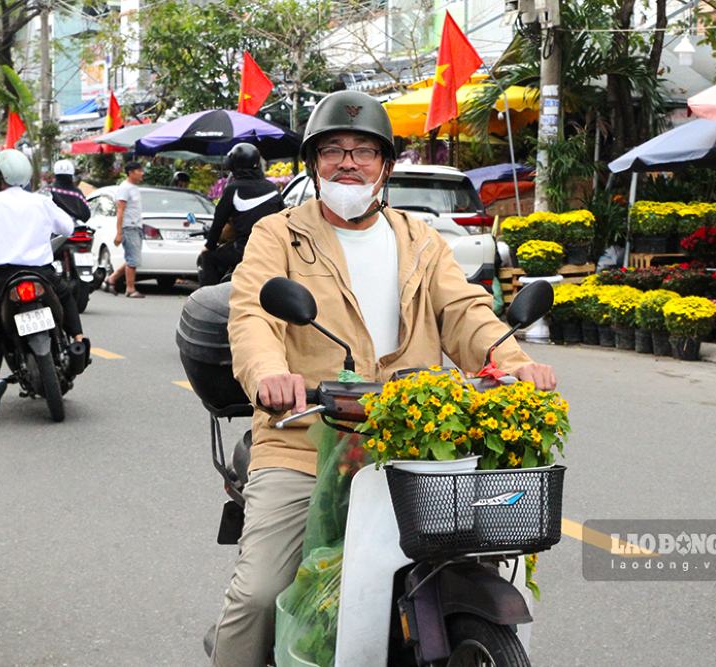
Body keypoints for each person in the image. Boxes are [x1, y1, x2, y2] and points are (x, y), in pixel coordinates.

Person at [209, 90, 556, 666]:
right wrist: (271, 373)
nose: (348, 162)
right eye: (333, 151)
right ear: (314, 165)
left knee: (470, 556)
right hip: (305, 440)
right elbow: (254, 315)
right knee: (261, 591)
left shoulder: (420, 240)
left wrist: (512, 362)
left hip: (410, 444)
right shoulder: (279, 235)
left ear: (386, 165)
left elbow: (463, 311)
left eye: (364, 151)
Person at [0, 149, 87, 420]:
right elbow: (67, 228)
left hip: (4, 278)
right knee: (66, 295)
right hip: (41, 274)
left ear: (0, 177)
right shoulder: (41, 202)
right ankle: (79, 341)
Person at [199, 143, 283, 286]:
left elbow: (218, 223)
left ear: (233, 164)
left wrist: (209, 246)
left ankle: (209, 302)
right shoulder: (273, 188)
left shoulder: (233, 189)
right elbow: (283, 217)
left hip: (244, 248)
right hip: (272, 250)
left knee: (208, 258)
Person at [104, 161, 145, 298]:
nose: (142, 173)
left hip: (137, 227)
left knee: (133, 259)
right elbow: (120, 210)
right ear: (131, 172)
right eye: (139, 171)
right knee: (133, 260)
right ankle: (130, 288)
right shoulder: (125, 188)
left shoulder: (134, 188)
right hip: (129, 227)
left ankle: (112, 279)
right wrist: (119, 232)